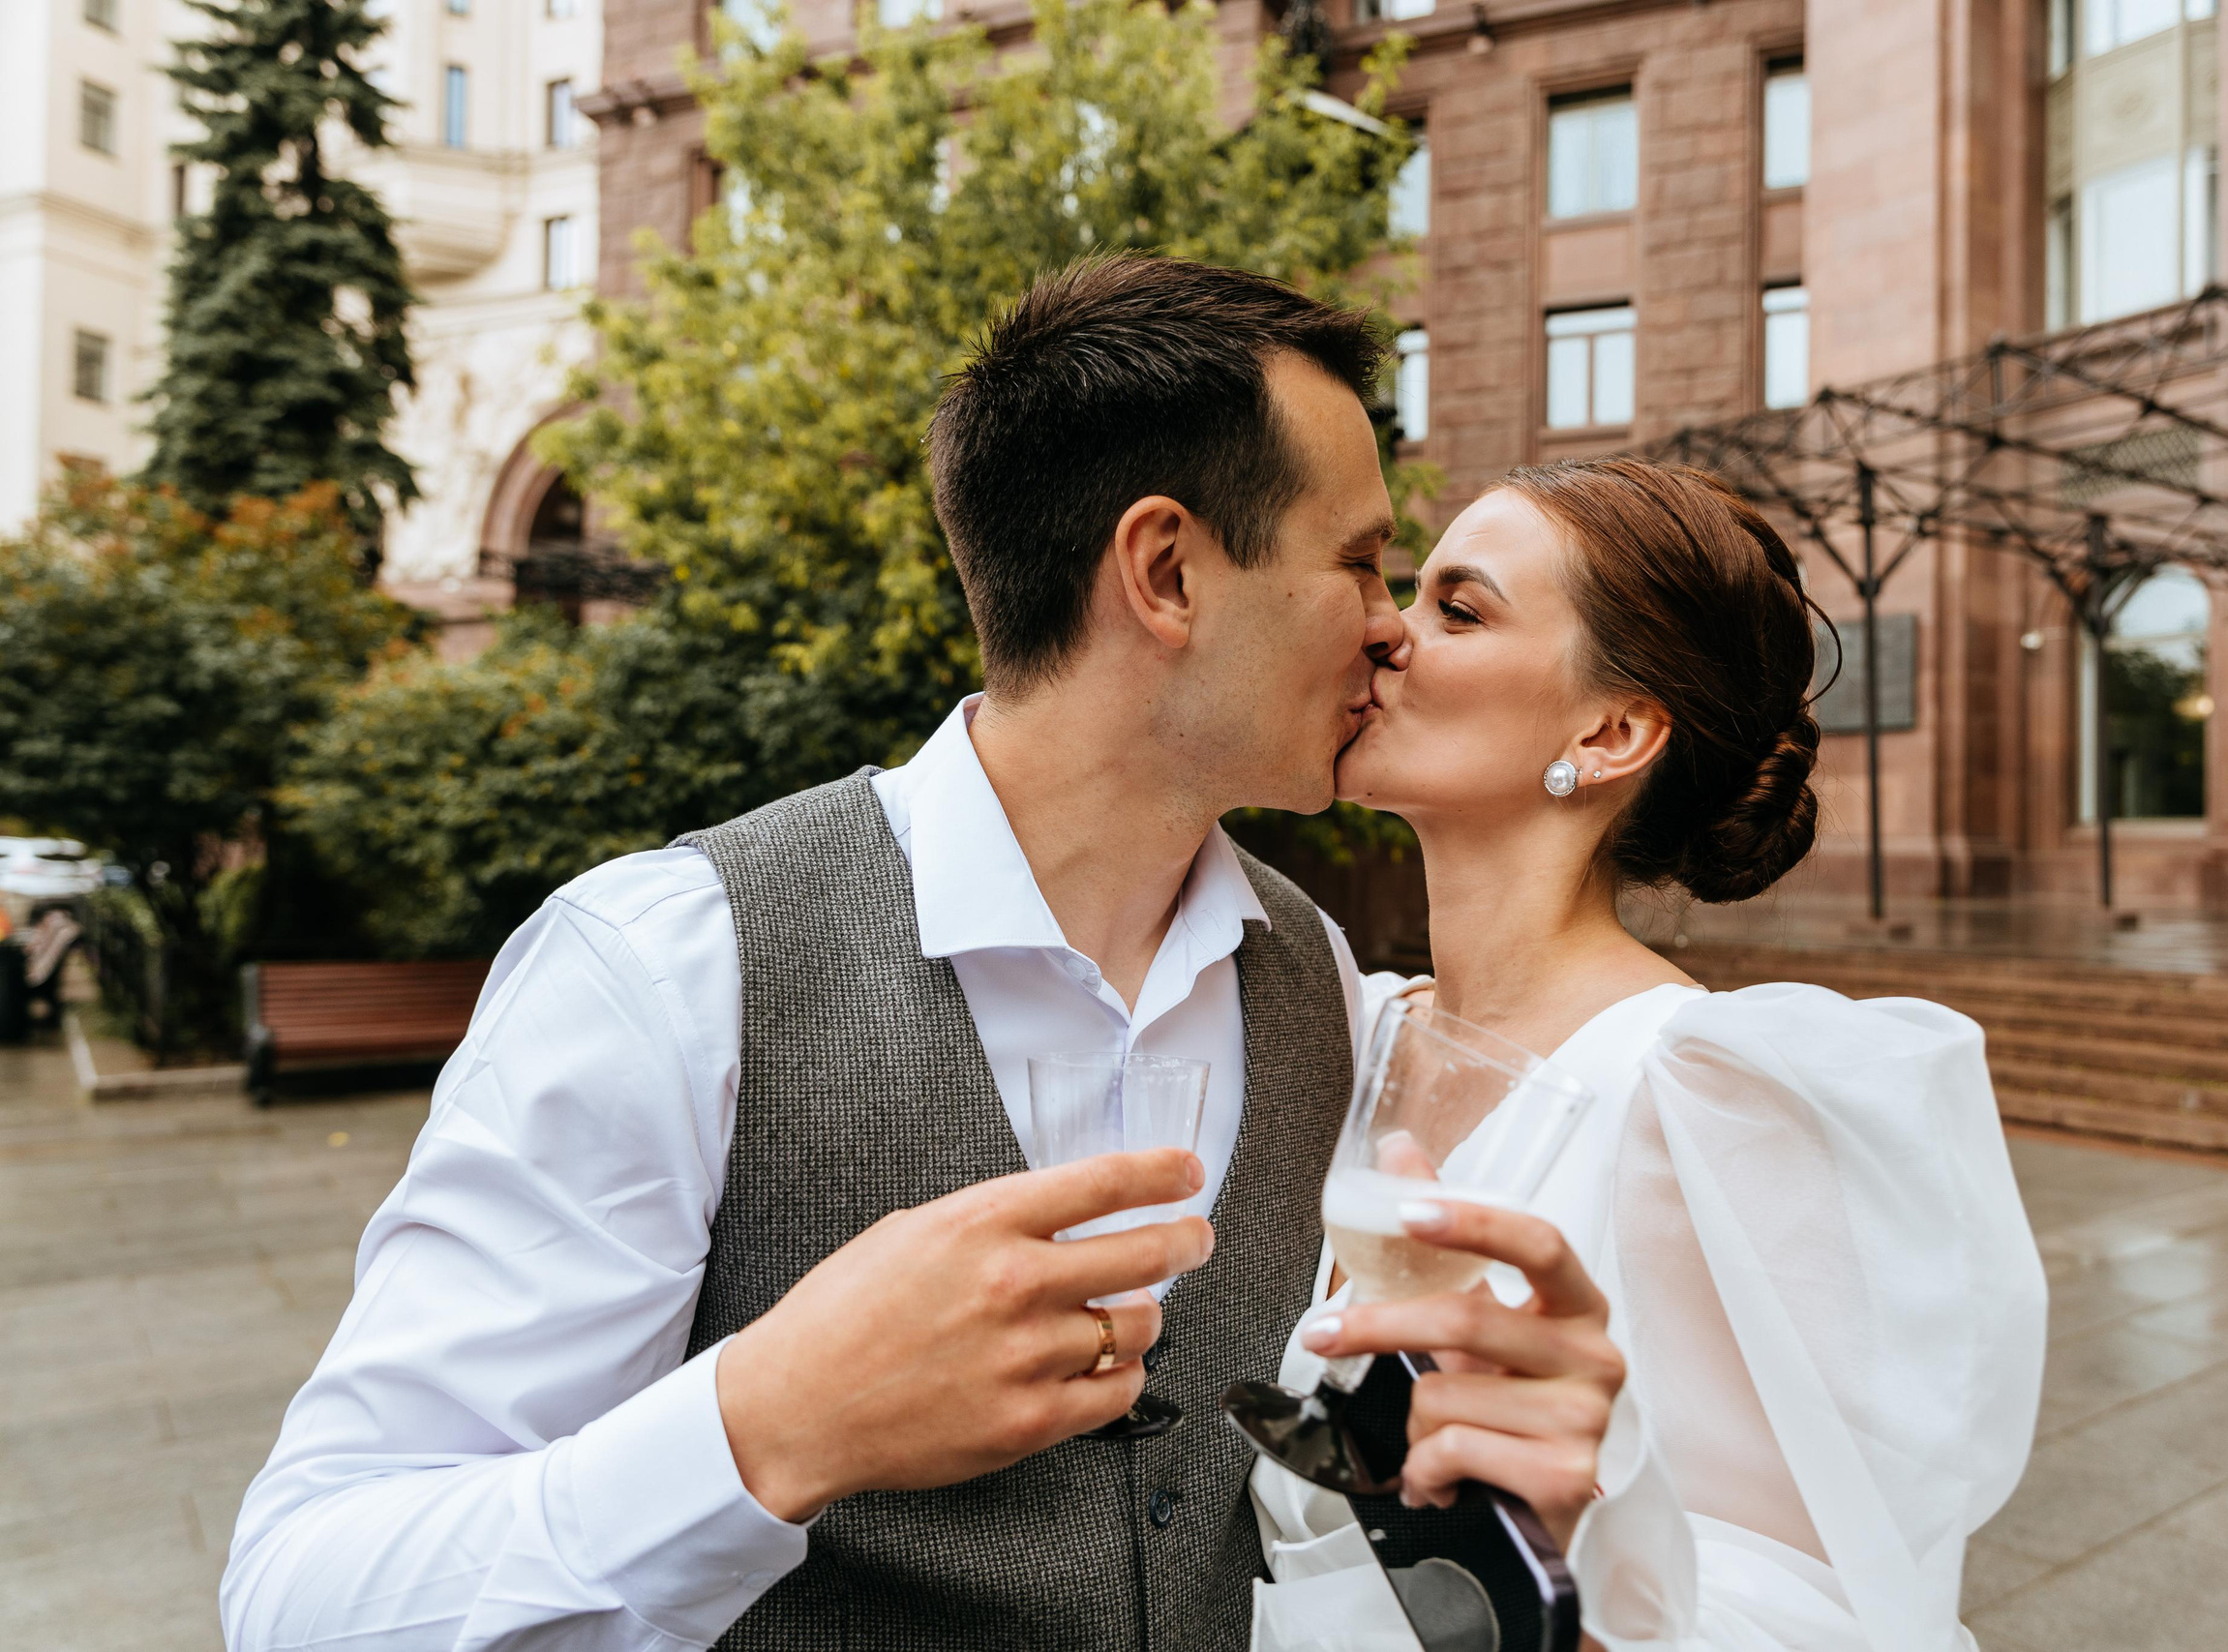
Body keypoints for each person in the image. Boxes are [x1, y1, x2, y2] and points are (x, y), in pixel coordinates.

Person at [219, 257, 1622, 1651]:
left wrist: (1462, 1453)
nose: (1390, 624)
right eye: (1360, 559)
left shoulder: (1316, 972)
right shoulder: (668, 963)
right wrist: (770, 1421)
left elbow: (1293, 1494)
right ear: (1167, 569)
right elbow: (305, 1596)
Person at [1247, 459, 2049, 1652]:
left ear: (1610, 731)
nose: (1384, 631)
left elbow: (1829, 1609)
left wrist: (1592, 1550)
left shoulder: (1710, 1097)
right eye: (1406, 593)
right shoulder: (1340, 1021)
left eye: (1457, 609)